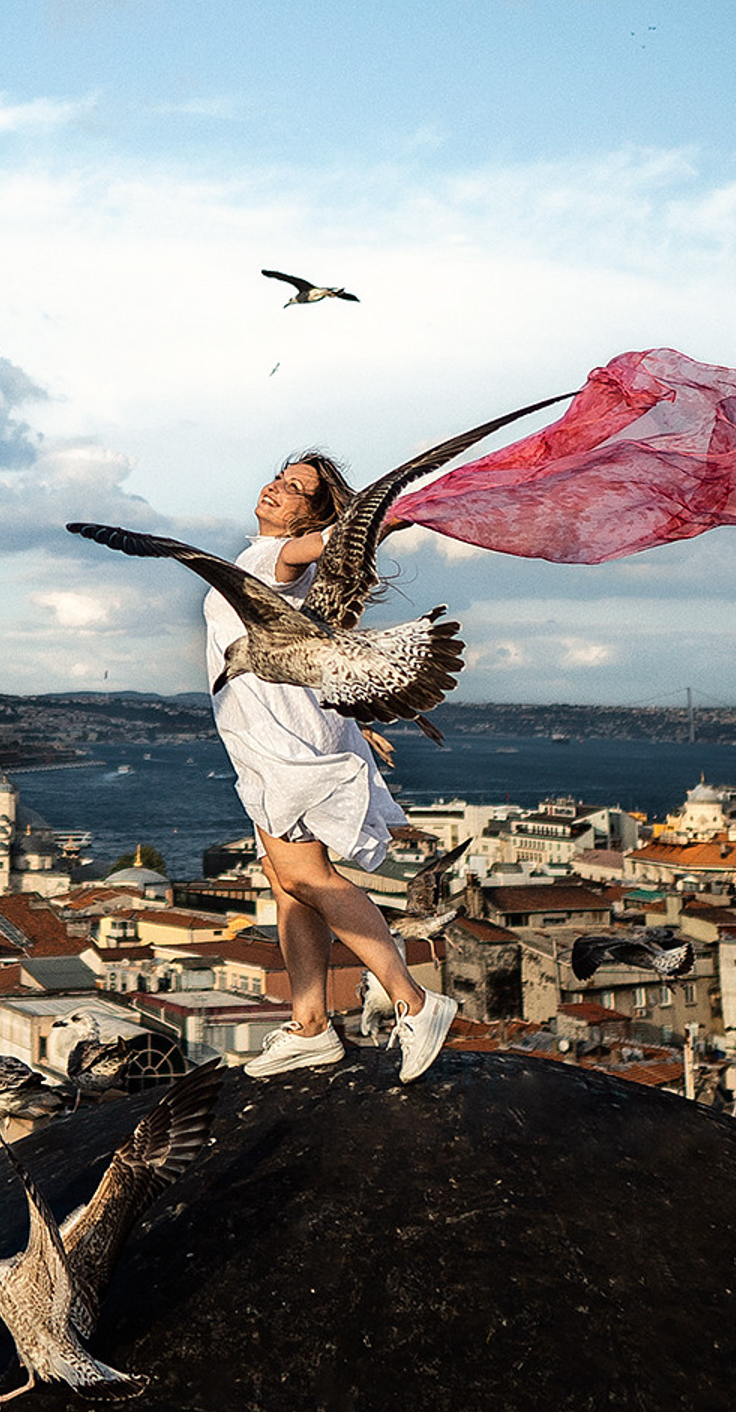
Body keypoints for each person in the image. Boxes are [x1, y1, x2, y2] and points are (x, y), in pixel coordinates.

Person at [207, 453, 457, 1084]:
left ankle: (415, 1001)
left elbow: (312, 550)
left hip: (284, 746)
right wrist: (356, 719)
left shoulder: (275, 559)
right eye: (279, 477)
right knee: (284, 879)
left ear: (312, 515)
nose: (275, 488)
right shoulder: (255, 562)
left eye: (295, 490)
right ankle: (311, 1025)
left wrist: (371, 521)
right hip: (274, 736)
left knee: (306, 878)